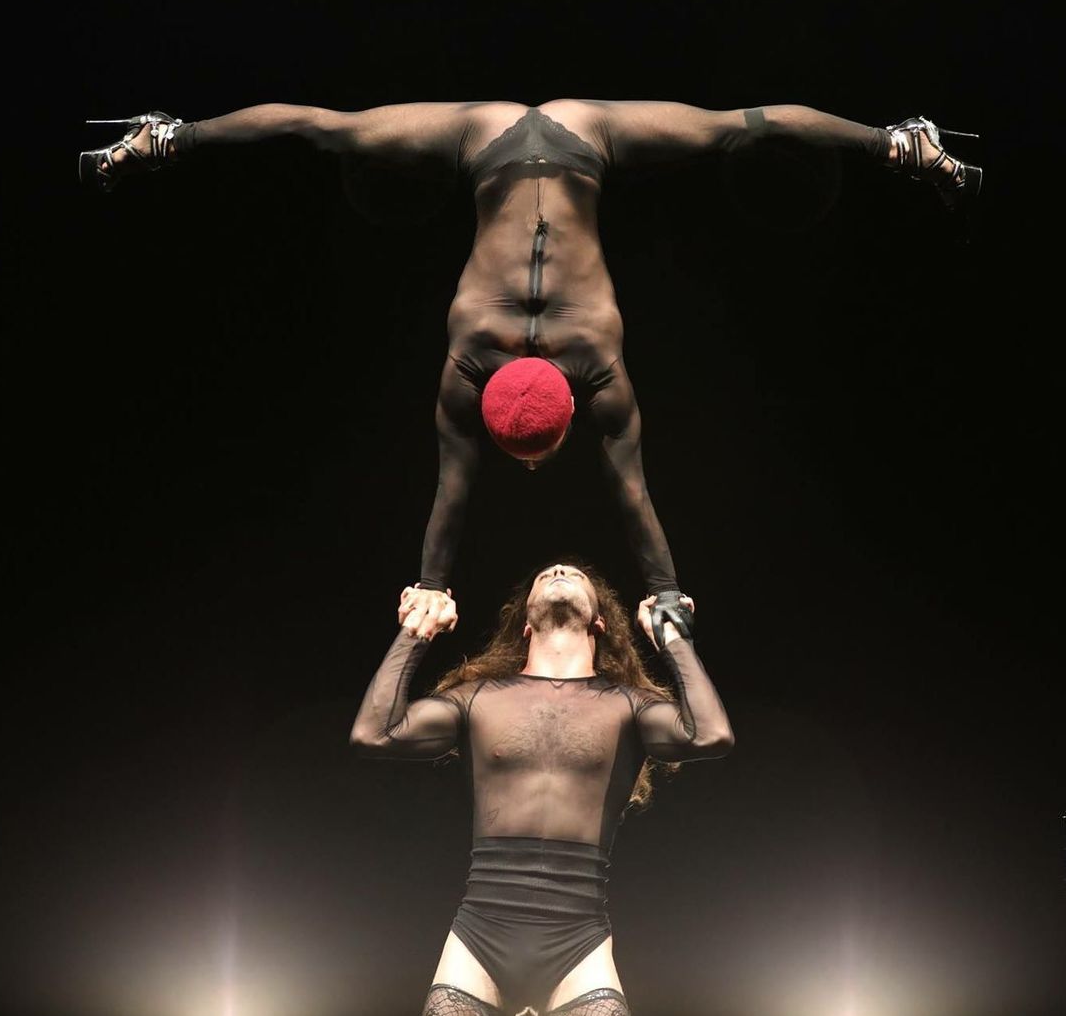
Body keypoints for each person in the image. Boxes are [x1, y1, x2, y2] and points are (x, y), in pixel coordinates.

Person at [79, 100, 981, 636]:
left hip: (551, 135)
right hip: (507, 134)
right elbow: (458, 488)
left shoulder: (596, 359)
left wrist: (668, 593)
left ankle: (896, 141)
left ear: (564, 417)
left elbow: (625, 489)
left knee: (732, 131)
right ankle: (896, 140)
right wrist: (431, 583)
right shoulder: (473, 357)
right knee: (332, 131)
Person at [349, 562, 734, 1016]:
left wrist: (672, 637)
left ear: (599, 622)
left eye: (576, 575)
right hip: (479, 934)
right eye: (544, 574)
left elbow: (709, 735)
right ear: (526, 625)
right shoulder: (478, 698)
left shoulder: (627, 705)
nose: (559, 569)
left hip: (579, 942)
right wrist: (416, 631)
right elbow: (374, 733)